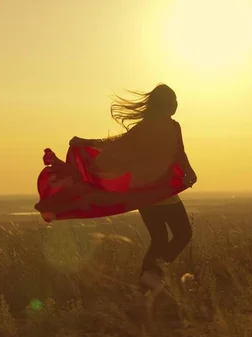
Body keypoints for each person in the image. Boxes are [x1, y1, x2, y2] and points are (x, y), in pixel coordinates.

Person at [70, 84, 197, 292]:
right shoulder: (165, 127)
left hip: (144, 193)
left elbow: (177, 153)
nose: (176, 105)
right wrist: (188, 172)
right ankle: (153, 275)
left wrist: (189, 172)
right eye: (173, 100)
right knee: (183, 234)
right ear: (166, 104)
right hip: (157, 191)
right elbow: (177, 153)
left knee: (159, 239)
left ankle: (146, 284)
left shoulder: (153, 128)